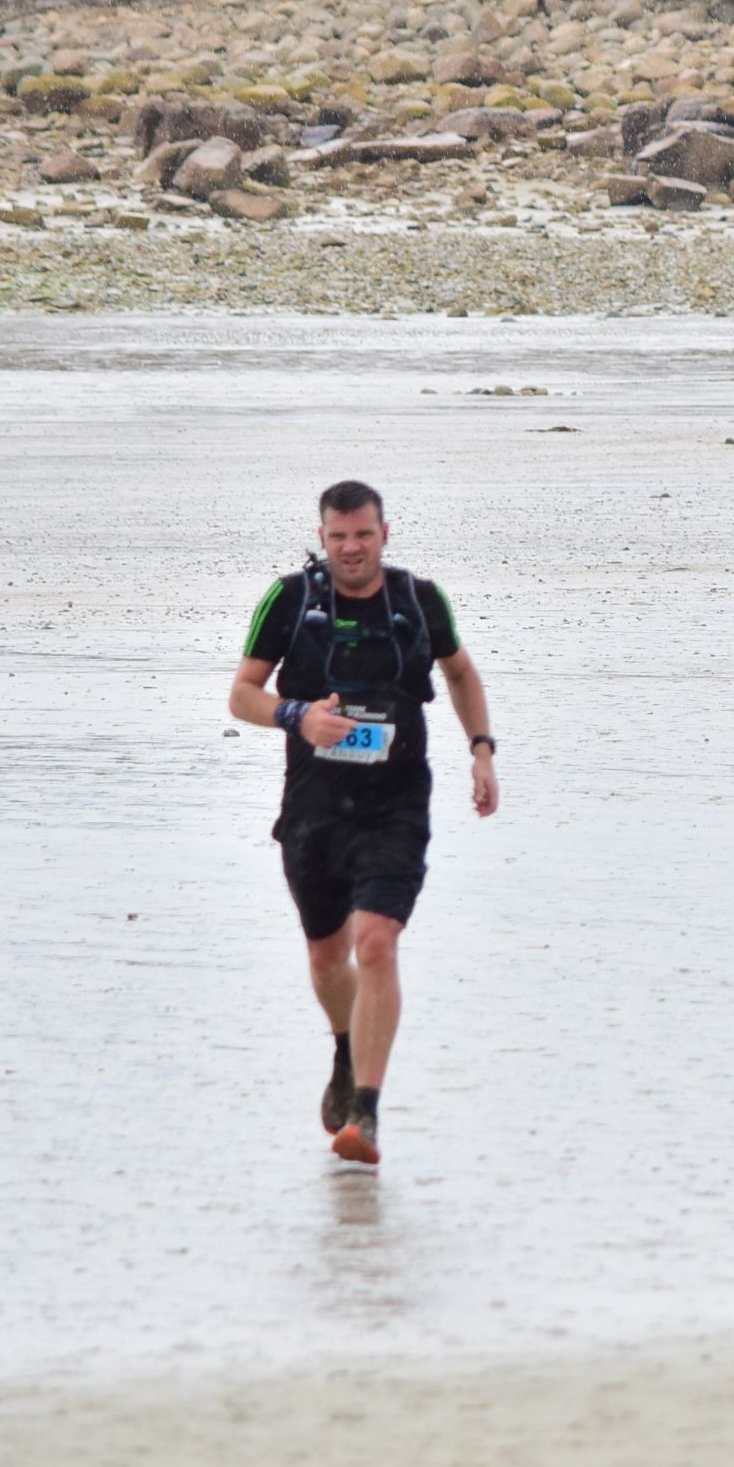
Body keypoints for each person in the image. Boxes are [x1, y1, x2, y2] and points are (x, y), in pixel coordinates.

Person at [229, 480, 498, 1168]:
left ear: (385, 534)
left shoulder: (418, 600)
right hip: (314, 808)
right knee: (327, 957)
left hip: (395, 804)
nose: (352, 548)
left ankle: (367, 1116)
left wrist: (481, 750)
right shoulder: (290, 600)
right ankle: (347, 1046)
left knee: (376, 944)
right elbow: (242, 696)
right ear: (323, 537)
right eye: (339, 536)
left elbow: (461, 673)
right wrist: (297, 715)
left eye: (364, 535)